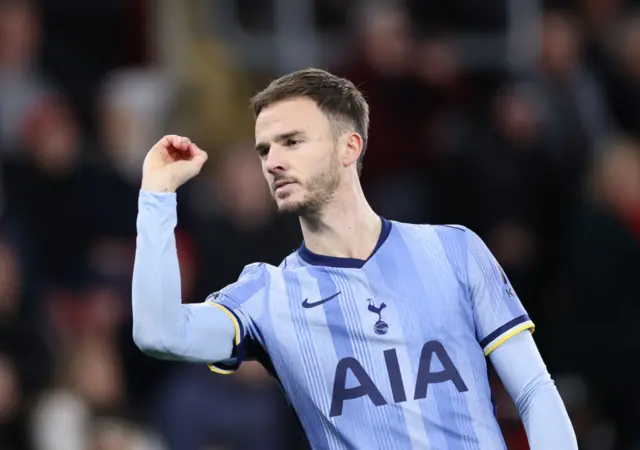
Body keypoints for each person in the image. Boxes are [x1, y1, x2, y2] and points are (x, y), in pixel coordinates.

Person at [132, 68, 577, 449]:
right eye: (264, 150)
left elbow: (535, 390)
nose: (273, 163)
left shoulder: (454, 250)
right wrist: (157, 196)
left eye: (292, 141)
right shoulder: (266, 295)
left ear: (350, 147)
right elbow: (159, 333)